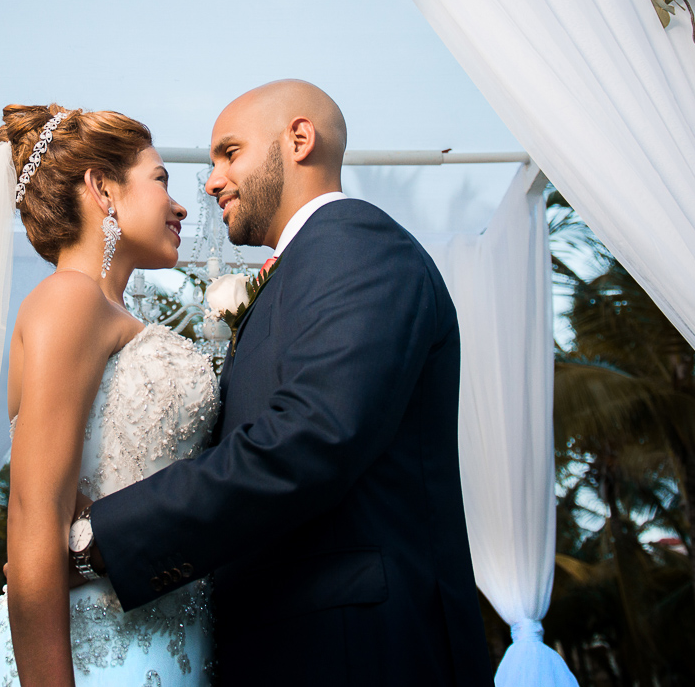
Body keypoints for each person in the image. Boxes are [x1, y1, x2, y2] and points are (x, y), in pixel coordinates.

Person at [78, 80, 494, 685]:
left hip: (358, 651)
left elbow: (310, 435)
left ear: (299, 140)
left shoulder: (354, 244)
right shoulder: (310, 264)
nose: (212, 180)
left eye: (230, 152)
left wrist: (104, 540)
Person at [0, 104, 218, 687]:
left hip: (170, 642)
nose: (181, 204)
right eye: (160, 180)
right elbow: (36, 515)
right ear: (102, 188)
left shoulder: (107, 312)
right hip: (99, 656)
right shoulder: (70, 300)